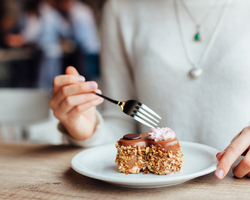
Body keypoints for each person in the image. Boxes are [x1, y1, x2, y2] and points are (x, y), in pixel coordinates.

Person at [49, 0, 250, 181]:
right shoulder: (121, 8)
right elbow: (122, 125)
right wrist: (89, 129)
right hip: (147, 191)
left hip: (237, 183)